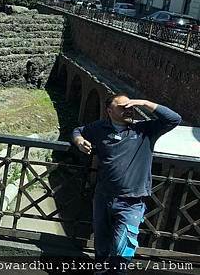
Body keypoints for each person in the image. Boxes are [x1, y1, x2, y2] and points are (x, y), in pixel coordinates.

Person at [73, 94, 181, 275]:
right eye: (122, 107)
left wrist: (145, 103)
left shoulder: (144, 130)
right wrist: (78, 142)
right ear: (109, 110)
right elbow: (78, 130)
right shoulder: (100, 128)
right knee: (101, 246)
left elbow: (174, 119)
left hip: (132, 202)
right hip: (103, 197)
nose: (128, 109)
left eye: (130, 106)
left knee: (123, 250)